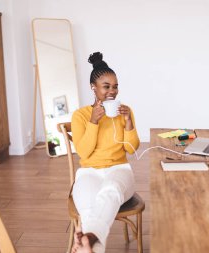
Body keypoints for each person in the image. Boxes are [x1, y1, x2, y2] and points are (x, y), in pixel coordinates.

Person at [71, 52, 140, 253]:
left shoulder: (124, 112)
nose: (112, 91)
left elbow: (131, 148)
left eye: (115, 86)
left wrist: (128, 123)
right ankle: (90, 245)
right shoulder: (81, 115)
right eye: (106, 86)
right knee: (87, 205)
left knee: (110, 190)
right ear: (93, 88)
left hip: (119, 169)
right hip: (89, 172)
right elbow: (83, 152)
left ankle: (88, 238)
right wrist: (93, 121)